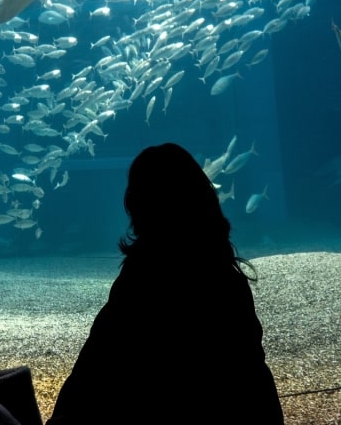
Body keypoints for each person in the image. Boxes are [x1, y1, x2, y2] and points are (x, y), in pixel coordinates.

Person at [47, 143, 284, 424]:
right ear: (204, 200)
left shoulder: (139, 282)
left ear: (137, 206)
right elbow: (250, 375)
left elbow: (95, 367)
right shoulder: (228, 279)